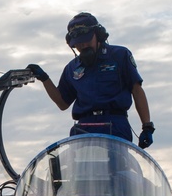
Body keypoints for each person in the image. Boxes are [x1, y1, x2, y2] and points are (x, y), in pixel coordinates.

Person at [27, 12, 155, 149]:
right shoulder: (72, 68)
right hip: (83, 127)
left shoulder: (120, 55)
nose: (83, 46)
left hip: (115, 123)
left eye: (86, 40)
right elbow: (62, 103)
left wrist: (147, 126)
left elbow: (136, 89)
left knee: (115, 169)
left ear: (98, 35)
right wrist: (44, 79)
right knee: (80, 170)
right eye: (78, 43)